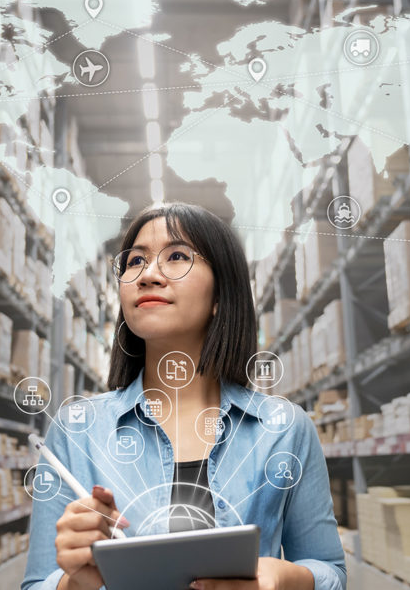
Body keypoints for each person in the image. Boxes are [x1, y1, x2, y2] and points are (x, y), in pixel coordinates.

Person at [22, 203, 346, 590]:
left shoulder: (284, 429)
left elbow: (329, 571)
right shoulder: (76, 431)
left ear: (220, 296)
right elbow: (38, 583)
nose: (148, 275)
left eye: (176, 256)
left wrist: (281, 578)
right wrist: (77, 582)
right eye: (135, 261)